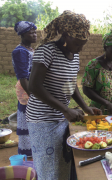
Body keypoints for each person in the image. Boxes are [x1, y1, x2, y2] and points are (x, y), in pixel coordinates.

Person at [26, 10, 101, 179]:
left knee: (64, 162)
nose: (80, 48)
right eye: (78, 43)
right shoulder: (46, 51)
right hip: (42, 120)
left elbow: (71, 84)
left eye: (83, 44)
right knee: (49, 169)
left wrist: (85, 107)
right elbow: (34, 86)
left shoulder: (73, 56)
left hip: (62, 117)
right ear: (66, 35)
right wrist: (65, 109)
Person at [12, 21, 37, 157]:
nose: (34, 35)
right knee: (28, 121)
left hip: (32, 89)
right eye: (31, 32)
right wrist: (33, 97)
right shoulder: (20, 51)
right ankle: (28, 156)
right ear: (22, 34)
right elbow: (23, 77)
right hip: (27, 91)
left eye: (35, 32)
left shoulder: (30, 50)